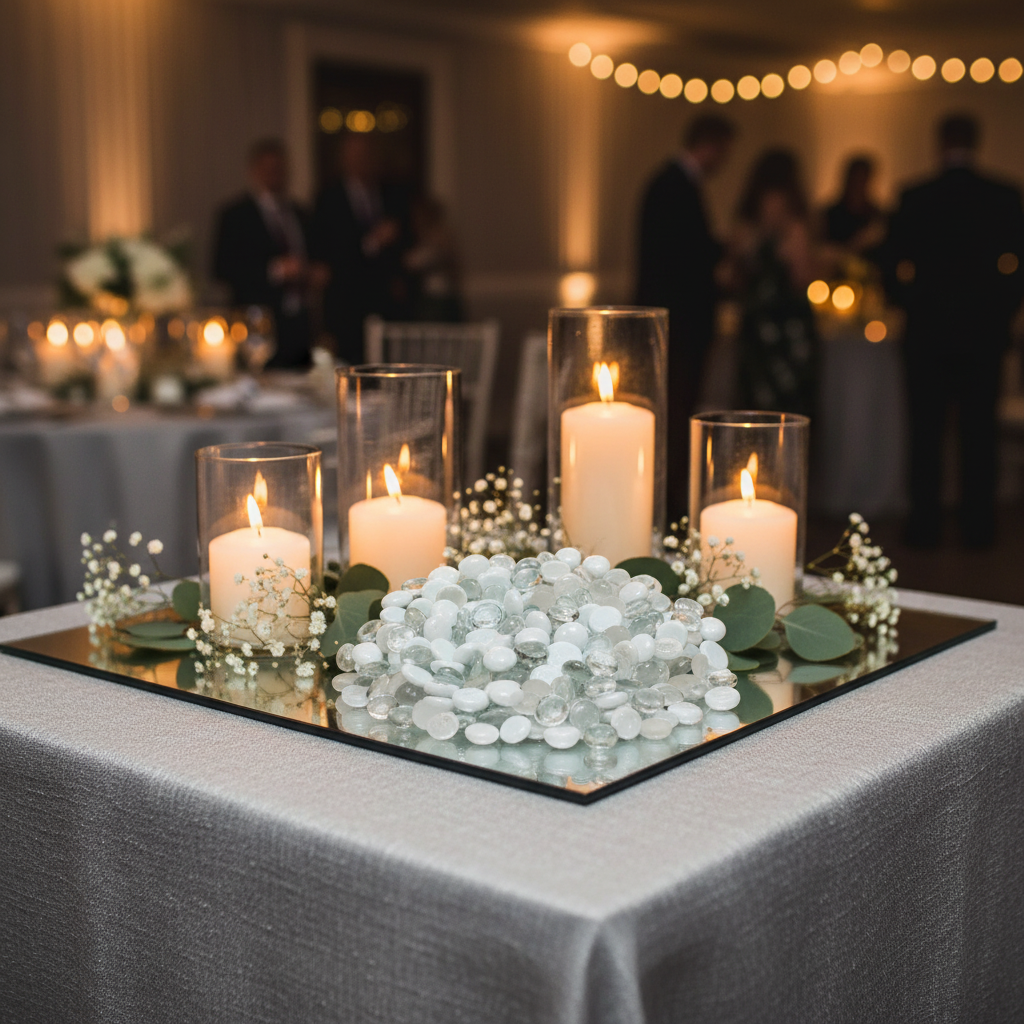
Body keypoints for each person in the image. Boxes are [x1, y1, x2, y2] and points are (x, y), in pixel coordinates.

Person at [885, 114, 1024, 548]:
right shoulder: (1002, 196)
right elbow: (1016, 269)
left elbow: (890, 264)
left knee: (925, 432)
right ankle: (977, 525)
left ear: (940, 142)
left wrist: (910, 305)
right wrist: (1001, 316)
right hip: (982, 336)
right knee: (978, 433)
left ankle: (924, 523)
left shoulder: (916, 196)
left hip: (927, 335)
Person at [635, 114, 736, 519]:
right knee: (675, 410)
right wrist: (724, 252)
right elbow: (683, 259)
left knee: (677, 409)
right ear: (710, 144)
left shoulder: (671, 183)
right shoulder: (673, 186)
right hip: (679, 324)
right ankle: (669, 498)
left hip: (679, 321)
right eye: (723, 152)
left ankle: (671, 493)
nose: (723, 161)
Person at [728, 149, 819, 418]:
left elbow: (734, 277)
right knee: (789, 410)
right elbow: (802, 277)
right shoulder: (795, 226)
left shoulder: (746, 225)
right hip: (788, 327)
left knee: (753, 408)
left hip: (755, 325)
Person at [212, 139, 316, 368]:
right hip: (258, 324)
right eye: (267, 169)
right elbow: (223, 269)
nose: (274, 174)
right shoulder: (236, 216)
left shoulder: (301, 214)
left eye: (279, 169)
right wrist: (277, 270)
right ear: (254, 171)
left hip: (300, 324)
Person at [311, 133, 410, 363]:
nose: (361, 161)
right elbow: (327, 251)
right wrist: (371, 242)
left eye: (366, 155)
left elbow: (406, 242)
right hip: (346, 303)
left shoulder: (392, 193)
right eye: (355, 156)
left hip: (387, 301)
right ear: (344, 160)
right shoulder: (328, 198)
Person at [821, 155, 886, 257]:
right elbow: (822, 250)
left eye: (862, 180)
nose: (858, 185)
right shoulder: (830, 215)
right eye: (856, 179)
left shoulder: (877, 217)